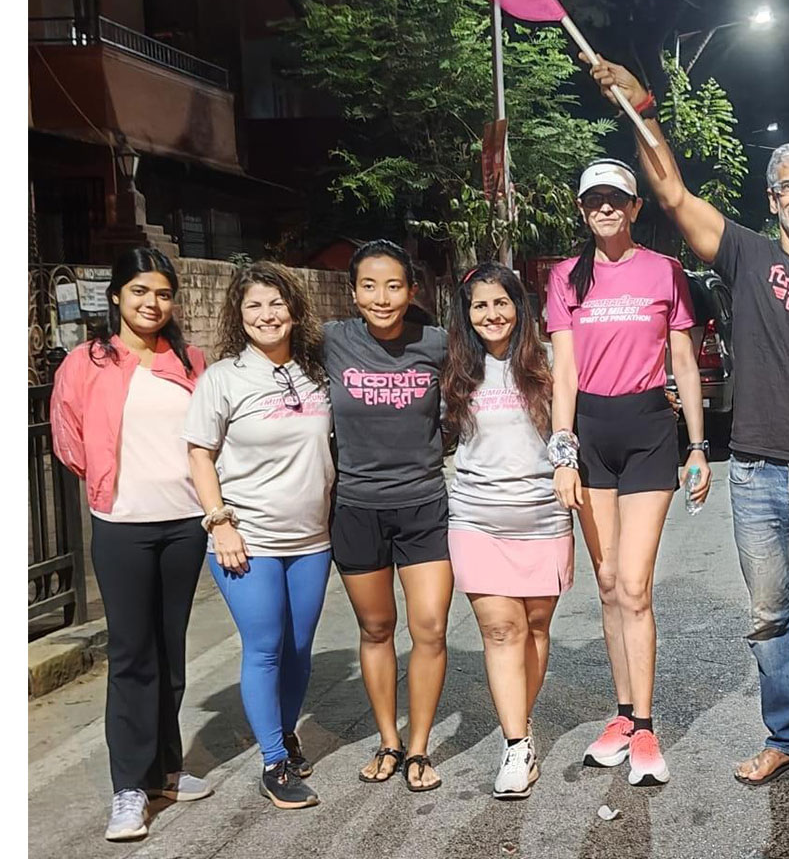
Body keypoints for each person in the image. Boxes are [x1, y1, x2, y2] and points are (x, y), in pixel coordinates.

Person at [581, 54, 789, 830]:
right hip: (756, 474)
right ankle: (785, 739)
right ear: (773, 198)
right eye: (785, 186)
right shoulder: (747, 255)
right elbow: (670, 193)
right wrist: (640, 107)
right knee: (768, 623)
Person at [546, 159, 709, 787]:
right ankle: (619, 713)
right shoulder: (566, 277)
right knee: (609, 583)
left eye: (616, 199)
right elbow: (563, 373)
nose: (605, 210)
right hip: (590, 434)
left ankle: (645, 726)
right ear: (583, 210)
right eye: (594, 202)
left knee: (636, 585)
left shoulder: (665, 271)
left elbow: (685, 364)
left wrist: (696, 446)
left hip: (647, 432)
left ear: (636, 207)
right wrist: (564, 453)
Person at [50, 248, 213, 841]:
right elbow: (69, 440)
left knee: (171, 651)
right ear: (117, 295)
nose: (152, 303)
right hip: (121, 523)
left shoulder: (191, 362)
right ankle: (128, 787)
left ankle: (166, 768)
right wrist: (110, 486)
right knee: (131, 654)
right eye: (140, 291)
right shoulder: (86, 362)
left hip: (184, 523)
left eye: (163, 294)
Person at [184, 262, 334, 811]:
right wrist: (219, 521)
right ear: (238, 316)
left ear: (293, 310)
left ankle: (286, 735)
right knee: (266, 647)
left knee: (298, 650)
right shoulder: (223, 378)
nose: (267, 315)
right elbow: (199, 453)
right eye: (254, 306)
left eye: (276, 304)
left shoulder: (315, 374)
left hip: (312, 539)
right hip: (248, 538)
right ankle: (273, 762)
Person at [325, 240, 453, 792]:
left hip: (424, 503)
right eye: (370, 286)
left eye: (394, 285)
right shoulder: (331, 341)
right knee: (376, 627)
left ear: (412, 291)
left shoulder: (437, 344)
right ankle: (388, 740)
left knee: (429, 627)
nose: (382, 297)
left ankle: (420, 747)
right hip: (356, 507)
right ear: (353, 293)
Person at [444, 263, 575, 799]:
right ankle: (516, 743)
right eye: (480, 305)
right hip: (476, 516)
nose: (492, 314)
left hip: (543, 517)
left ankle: (522, 724)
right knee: (501, 629)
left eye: (502, 303)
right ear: (467, 313)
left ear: (521, 308)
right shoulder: (454, 369)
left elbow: (579, 422)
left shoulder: (548, 365)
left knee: (535, 628)